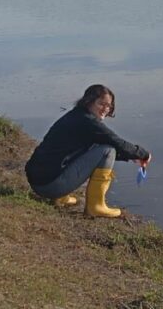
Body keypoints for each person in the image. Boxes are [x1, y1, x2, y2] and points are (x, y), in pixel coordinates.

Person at [25, 84, 151, 218]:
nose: (105, 109)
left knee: (106, 148)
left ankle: (61, 197)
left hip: (39, 182)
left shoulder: (76, 116)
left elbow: (100, 146)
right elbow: (117, 142)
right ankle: (96, 206)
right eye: (101, 104)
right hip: (50, 186)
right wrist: (143, 154)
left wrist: (130, 156)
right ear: (89, 101)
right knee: (108, 151)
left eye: (109, 106)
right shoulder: (88, 122)